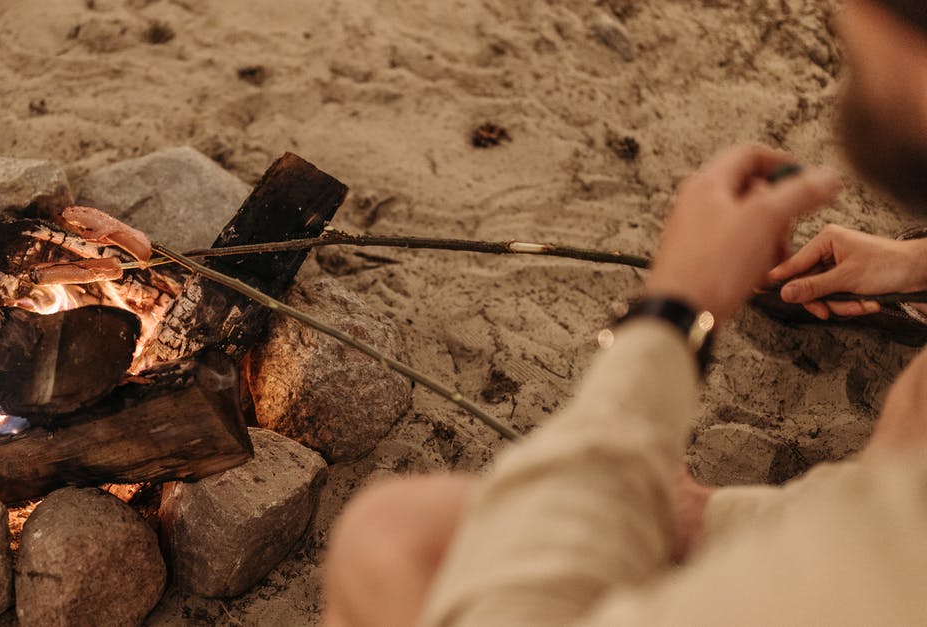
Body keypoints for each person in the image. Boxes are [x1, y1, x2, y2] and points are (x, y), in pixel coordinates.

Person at [323, 1, 927, 625]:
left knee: (379, 544)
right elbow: (869, 502)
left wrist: (673, 312)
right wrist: (914, 266)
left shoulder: (890, 572)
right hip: (833, 525)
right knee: (410, 529)